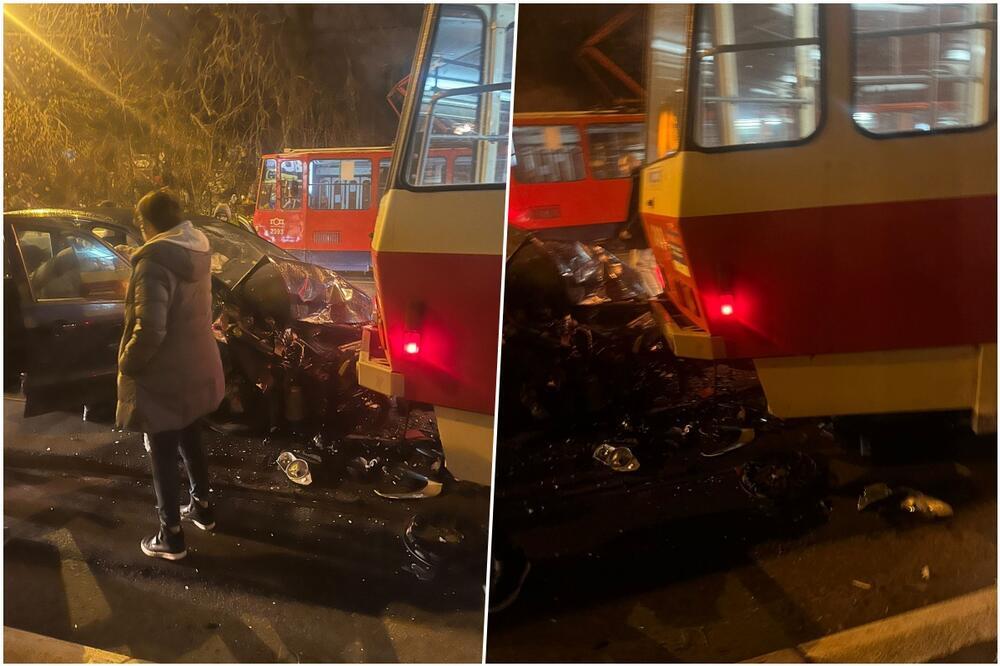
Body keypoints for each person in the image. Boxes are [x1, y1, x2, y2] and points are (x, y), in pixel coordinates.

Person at [116, 188, 225, 560]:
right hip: (197, 362)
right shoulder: (197, 249)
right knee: (190, 435)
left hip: (165, 373)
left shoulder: (153, 262)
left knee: (161, 448)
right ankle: (203, 508)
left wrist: (127, 364)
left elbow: (149, 330)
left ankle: (171, 535)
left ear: (148, 224)